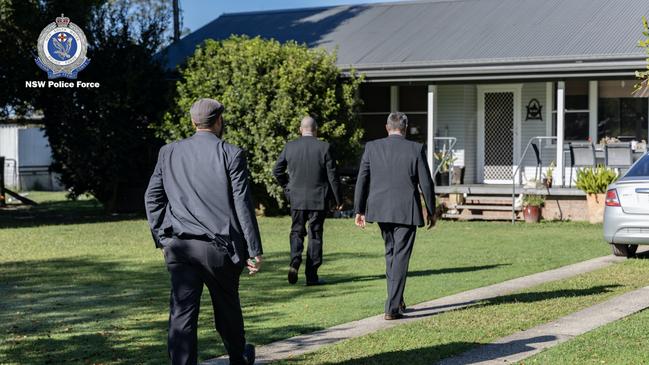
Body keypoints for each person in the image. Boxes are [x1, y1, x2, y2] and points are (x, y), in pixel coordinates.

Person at [145, 98, 262, 365]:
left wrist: (161, 237)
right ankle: (238, 356)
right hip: (219, 248)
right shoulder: (231, 153)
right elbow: (242, 205)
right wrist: (253, 250)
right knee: (227, 307)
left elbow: (152, 198)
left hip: (179, 246)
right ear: (219, 121)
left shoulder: (169, 152)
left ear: (192, 122)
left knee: (182, 312)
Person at [353, 112, 436, 320]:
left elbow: (362, 179)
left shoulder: (372, 147)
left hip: (380, 209)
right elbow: (426, 183)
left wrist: (359, 209)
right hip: (406, 209)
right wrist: (432, 211)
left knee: (391, 254)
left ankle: (396, 298)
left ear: (387, 127)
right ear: (405, 127)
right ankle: (392, 306)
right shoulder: (415, 149)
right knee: (400, 256)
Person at [273, 116, 342, 286]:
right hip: (318, 198)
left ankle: (295, 260)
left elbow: (277, 170)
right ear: (316, 129)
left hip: (296, 198)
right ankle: (312, 275)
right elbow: (332, 176)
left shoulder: (290, 147)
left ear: (300, 129)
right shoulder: (324, 147)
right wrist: (338, 198)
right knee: (315, 234)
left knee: (296, 231)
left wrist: (287, 187)